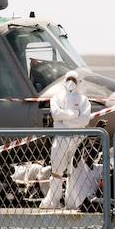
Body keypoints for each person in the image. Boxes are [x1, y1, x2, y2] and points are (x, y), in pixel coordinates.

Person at [40, 70, 92, 209]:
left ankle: (72, 201)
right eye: (69, 79)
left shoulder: (84, 100)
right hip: (61, 138)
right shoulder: (56, 98)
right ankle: (53, 200)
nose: (71, 83)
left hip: (77, 139)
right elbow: (56, 115)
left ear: (78, 82)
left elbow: (85, 120)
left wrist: (66, 120)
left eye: (74, 80)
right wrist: (73, 115)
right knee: (57, 170)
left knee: (72, 170)